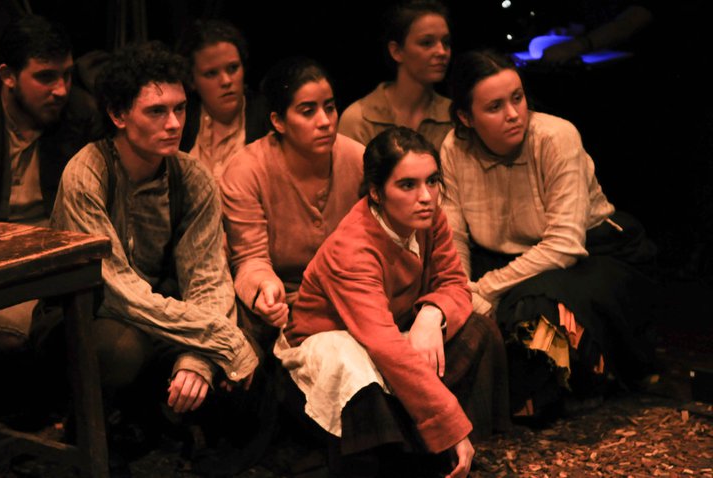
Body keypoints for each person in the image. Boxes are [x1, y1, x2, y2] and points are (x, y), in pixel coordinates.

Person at [48, 43, 258, 440]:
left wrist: (198, 357)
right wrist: (217, 337)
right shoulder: (87, 174)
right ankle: (89, 429)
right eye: (157, 111)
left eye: (180, 108)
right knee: (123, 349)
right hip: (87, 314)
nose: (174, 123)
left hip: (161, 312)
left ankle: (157, 419)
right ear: (118, 115)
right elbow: (118, 292)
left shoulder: (191, 177)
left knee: (242, 357)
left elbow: (208, 277)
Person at [276, 126, 509, 478]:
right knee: (353, 366)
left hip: (390, 332)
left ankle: (451, 451)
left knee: (478, 328)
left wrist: (432, 314)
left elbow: (454, 283)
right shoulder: (352, 248)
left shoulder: (430, 218)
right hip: (328, 347)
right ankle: (408, 457)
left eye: (432, 181)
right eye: (408, 185)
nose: (426, 196)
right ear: (376, 192)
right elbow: (383, 344)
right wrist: (449, 424)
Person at [441, 50, 658, 418]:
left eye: (517, 98)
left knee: (535, 312)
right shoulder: (454, 146)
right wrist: (462, 293)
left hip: (587, 255)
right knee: (443, 304)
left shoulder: (555, 137)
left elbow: (563, 245)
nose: (513, 114)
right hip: (505, 259)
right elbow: (454, 235)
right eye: (494, 107)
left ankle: (569, 387)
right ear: (466, 117)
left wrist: (486, 289)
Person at [220, 57, 364, 349]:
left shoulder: (358, 159)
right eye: (308, 111)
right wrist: (265, 288)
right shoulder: (248, 170)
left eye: (329, 108)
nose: (325, 121)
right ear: (278, 121)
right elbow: (250, 258)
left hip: (349, 299)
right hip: (281, 306)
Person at [0, 15, 102, 352]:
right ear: (8, 76)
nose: (61, 90)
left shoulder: (81, 115)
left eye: (67, 74)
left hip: (52, 263)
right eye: (45, 77)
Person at [338, 0, 452, 150]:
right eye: (427, 43)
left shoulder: (454, 116)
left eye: (446, 42)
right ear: (396, 51)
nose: (442, 52)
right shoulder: (359, 119)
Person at [177, 19, 269, 181]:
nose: (226, 81)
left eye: (233, 68)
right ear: (192, 81)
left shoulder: (268, 116)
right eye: (211, 73)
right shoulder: (180, 123)